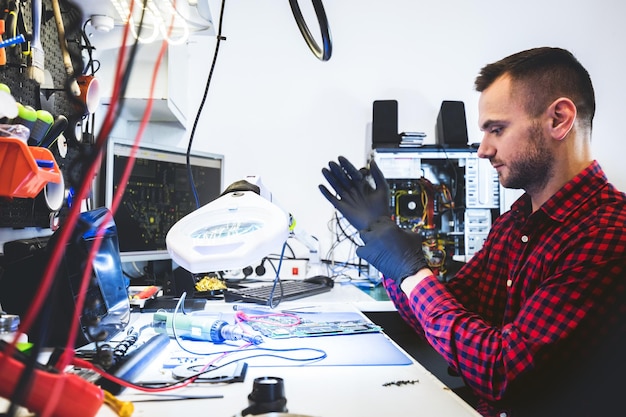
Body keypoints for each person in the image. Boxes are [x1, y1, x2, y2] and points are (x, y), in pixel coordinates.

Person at [319, 47, 626, 417]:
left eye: (497, 129)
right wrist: (382, 238)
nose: (483, 150)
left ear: (559, 119)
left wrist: (412, 271)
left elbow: (501, 370)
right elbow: (445, 310)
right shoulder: (518, 222)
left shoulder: (607, 232)